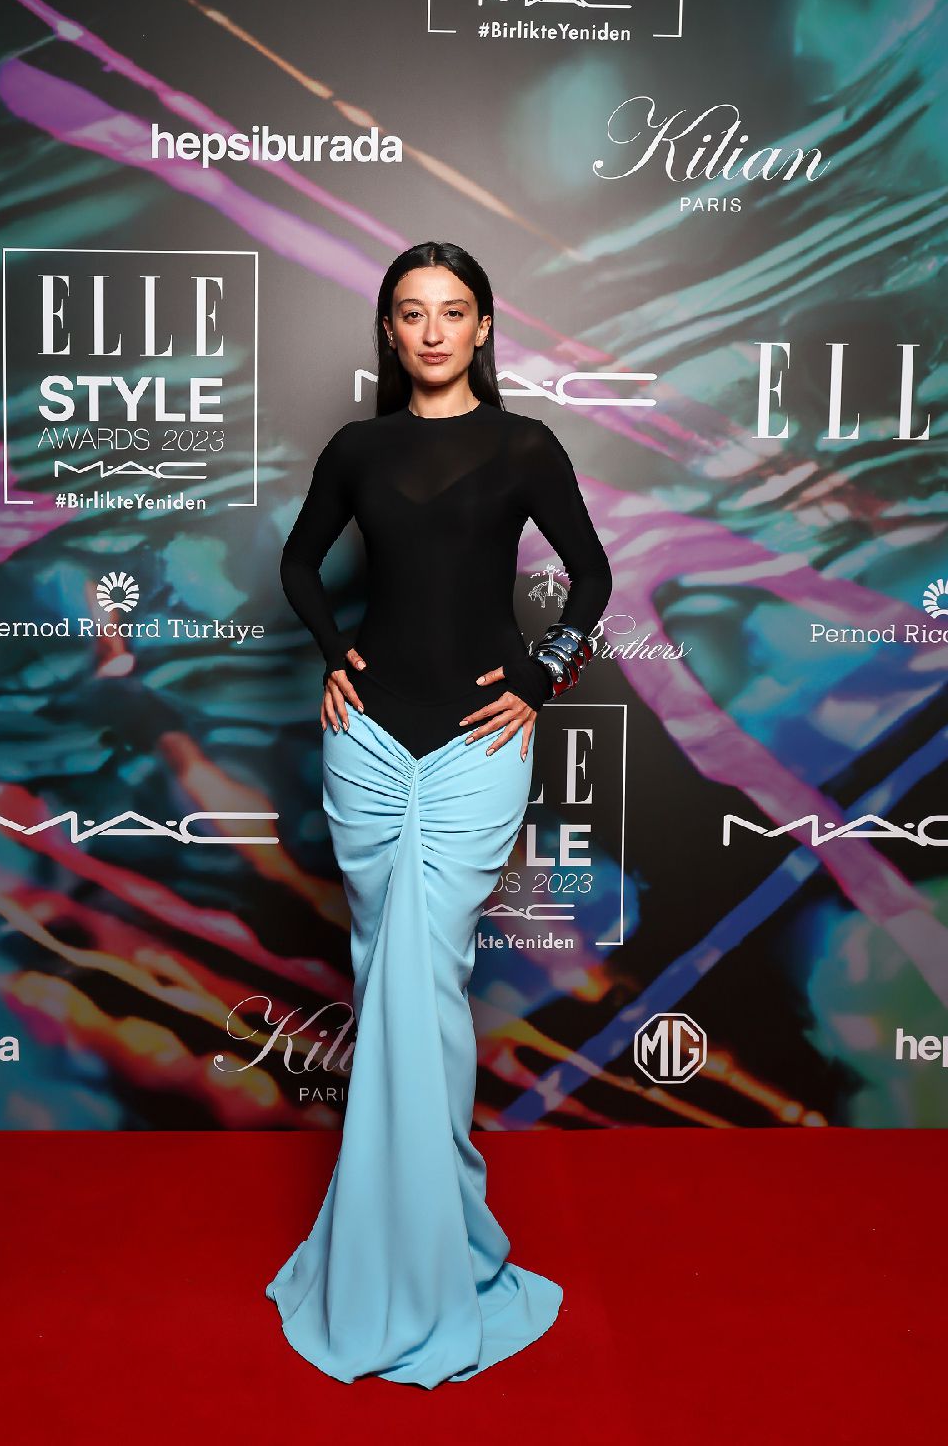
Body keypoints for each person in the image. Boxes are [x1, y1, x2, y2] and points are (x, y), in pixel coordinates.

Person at [265, 240, 612, 1387]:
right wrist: (334, 657)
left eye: (451, 311)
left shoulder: (524, 444)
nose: (430, 331)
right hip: (366, 745)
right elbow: (301, 566)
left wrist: (541, 680)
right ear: (388, 329)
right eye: (410, 312)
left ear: (482, 327)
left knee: (430, 978)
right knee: (386, 977)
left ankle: (427, 1240)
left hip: (476, 749)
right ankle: (397, 1240)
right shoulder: (357, 449)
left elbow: (592, 577)